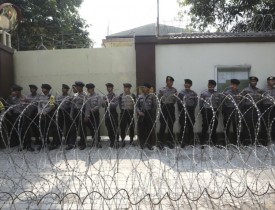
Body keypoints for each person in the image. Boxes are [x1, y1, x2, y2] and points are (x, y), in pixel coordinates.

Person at [6, 84, 34, 151]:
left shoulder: (24, 98)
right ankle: (22, 145)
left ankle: (29, 145)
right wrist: (10, 114)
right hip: (15, 116)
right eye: (13, 91)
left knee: (26, 130)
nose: (14, 93)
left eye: (15, 91)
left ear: (19, 91)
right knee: (19, 131)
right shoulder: (11, 98)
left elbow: (31, 107)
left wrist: (28, 114)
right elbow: (7, 105)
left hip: (24, 116)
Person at [240, 76, 264, 145]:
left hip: (256, 109)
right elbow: (242, 100)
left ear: (256, 82)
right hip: (248, 109)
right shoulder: (245, 90)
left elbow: (262, 99)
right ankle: (245, 141)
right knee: (246, 126)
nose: (253, 82)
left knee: (255, 126)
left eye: (255, 81)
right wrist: (244, 110)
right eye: (252, 81)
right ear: (249, 82)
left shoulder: (259, 91)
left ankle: (254, 141)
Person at [36, 84, 60, 151]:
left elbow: (51, 107)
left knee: (53, 129)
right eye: (42, 88)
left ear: (48, 90)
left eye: (44, 88)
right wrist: (39, 112)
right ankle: (43, 143)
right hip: (42, 115)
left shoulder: (52, 97)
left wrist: (44, 112)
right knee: (43, 129)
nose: (43, 90)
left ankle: (55, 143)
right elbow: (39, 105)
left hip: (50, 115)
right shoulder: (40, 96)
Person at [157, 76, 177, 149]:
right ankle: (160, 142)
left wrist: (170, 104)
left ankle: (169, 141)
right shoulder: (162, 90)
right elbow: (159, 98)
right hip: (164, 107)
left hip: (171, 107)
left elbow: (175, 100)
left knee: (170, 125)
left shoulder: (174, 90)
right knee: (163, 125)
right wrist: (163, 104)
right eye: (169, 81)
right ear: (166, 82)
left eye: (171, 82)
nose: (170, 83)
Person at [177, 79, 198, 148]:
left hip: (191, 110)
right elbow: (178, 102)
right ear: (184, 84)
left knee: (191, 126)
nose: (186, 84)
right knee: (183, 126)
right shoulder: (181, 93)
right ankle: (183, 141)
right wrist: (182, 109)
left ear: (191, 85)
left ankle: (191, 141)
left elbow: (195, 103)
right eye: (186, 83)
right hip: (183, 111)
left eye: (188, 83)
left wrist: (191, 108)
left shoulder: (194, 93)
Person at [67, 81, 87, 150]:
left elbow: (87, 106)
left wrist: (86, 115)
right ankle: (72, 143)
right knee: (73, 128)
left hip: (82, 112)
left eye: (78, 86)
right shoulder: (75, 95)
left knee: (82, 129)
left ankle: (83, 143)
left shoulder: (85, 95)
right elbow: (72, 105)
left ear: (81, 87)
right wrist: (71, 114)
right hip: (75, 112)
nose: (77, 88)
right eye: (76, 86)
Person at [136, 83, 157, 150]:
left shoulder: (152, 96)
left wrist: (151, 112)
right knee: (142, 130)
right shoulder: (139, 96)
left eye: (147, 88)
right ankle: (142, 143)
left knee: (149, 129)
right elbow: (136, 106)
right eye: (144, 88)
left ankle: (149, 144)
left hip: (149, 114)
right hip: (141, 114)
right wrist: (139, 112)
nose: (145, 89)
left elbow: (155, 106)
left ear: (148, 89)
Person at [222, 79, 242, 145]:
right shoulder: (227, 93)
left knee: (236, 127)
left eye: (236, 85)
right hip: (228, 111)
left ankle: (236, 142)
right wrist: (225, 112)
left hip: (236, 111)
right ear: (231, 84)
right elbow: (223, 103)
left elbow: (242, 102)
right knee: (227, 127)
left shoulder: (240, 93)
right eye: (233, 84)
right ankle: (226, 143)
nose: (234, 86)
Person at [200, 80, 220, 147]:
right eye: (209, 84)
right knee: (205, 127)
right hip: (206, 111)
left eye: (212, 85)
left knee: (214, 127)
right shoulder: (204, 93)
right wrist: (202, 112)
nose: (210, 86)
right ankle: (202, 142)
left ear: (214, 86)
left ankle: (214, 142)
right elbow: (201, 103)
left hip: (214, 111)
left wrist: (217, 111)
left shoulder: (217, 94)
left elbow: (219, 103)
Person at [118, 83, 136, 147]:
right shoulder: (120, 96)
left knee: (131, 127)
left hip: (130, 112)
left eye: (127, 88)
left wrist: (132, 110)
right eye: (125, 88)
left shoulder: (133, 95)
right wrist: (122, 110)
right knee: (122, 127)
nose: (126, 89)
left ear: (129, 88)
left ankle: (131, 140)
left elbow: (135, 104)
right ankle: (123, 140)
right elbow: (119, 104)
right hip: (123, 113)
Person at [85, 83, 102, 148]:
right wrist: (87, 115)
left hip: (95, 114)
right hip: (90, 115)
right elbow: (87, 107)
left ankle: (98, 142)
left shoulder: (97, 95)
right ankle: (94, 140)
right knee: (92, 128)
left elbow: (99, 104)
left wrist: (94, 109)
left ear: (92, 89)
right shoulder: (88, 97)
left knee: (96, 127)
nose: (88, 90)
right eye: (87, 89)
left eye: (89, 89)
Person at [103, 83, 119, 148]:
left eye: (110, 87)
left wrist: (108, 102)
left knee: (114, 128)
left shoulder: (115, 96)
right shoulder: (105, 96)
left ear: (112, 88)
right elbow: (102, 105)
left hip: (113, 114)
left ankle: (116, 141)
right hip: (107, 114)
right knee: (109, 128)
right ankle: (112, 141)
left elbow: (115, 105)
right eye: (107, 87)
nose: (108, 88)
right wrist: (103, 102)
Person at [261, 76, 275, 145]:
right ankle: (264, 140)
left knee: (273, 123)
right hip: (266, 107)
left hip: (273, 107)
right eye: (270, 80)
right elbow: (265, 98)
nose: (272, 82)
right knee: (265, 124)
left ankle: (273, 139)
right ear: (268, 82)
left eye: (273, 80)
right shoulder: (264, 90)